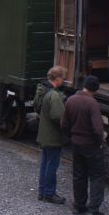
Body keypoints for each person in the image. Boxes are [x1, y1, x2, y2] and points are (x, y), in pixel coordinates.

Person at [62, 75, 107, 215]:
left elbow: (64, 124)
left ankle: (79, 206)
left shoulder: (71, 100)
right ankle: (94, 209)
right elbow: (98, 129)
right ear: (96, 90)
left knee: (79, 175)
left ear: (84, 86)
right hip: (91, 145)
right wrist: (101, 141)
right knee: (96, 176)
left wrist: (71, 137)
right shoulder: (92, 103)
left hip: (76, 144)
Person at [35, 65, 67, 204]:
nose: (64, 81)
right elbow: (58, 116)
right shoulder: (54, 95)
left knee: (45, 164)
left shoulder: (43, 90)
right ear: (58, 78)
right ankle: (49, 193)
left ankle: (42, 191)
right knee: (52, 165)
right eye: (63, 78)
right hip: (52, 136)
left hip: (44, 134)